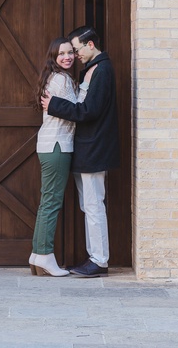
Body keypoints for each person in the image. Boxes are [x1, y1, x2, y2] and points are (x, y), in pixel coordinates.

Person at [40, 26, 120, 278]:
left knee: (94, 205)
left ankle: (99, 260)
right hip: (85, 149)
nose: (74, 55)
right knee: (89, 205)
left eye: (76, 50)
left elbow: (90, 111)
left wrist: (55, 105)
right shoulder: (91, 70)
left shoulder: (102, 70)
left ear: (91, 45)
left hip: (94, 149)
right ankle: (94, 258)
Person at [29, 37, 77, 277]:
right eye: (61, 54)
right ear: (53, 57)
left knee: (46, 201)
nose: (67, 57)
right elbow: (76, 111)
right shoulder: (62, 80)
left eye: (70, 52)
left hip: (48, 145)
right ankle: (46, 256)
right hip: (58, 146)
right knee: (51, 202)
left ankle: (38, 254)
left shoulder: (53, 77)